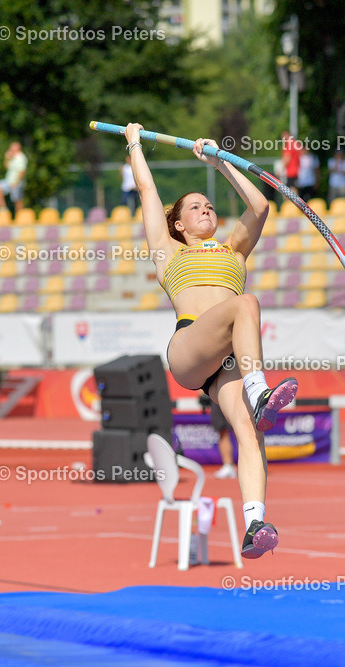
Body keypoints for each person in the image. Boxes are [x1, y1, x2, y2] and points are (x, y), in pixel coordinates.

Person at [126, 122, 297, 560]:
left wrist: (221, 163)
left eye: (208, 205)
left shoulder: (234, 251)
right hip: (188, 348)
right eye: (194, 208)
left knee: (250, 431)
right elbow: (147, 192)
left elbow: (259, 205)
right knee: (245, 305)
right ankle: (260, 390)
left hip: (223, 365)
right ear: (179, 224)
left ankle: (253, 523)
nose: (205, 210)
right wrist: (134, 143)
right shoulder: (169, 253)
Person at [0, 141, 28, 213]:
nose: (10, 149)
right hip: (9, 181)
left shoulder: (21, 158)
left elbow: (22, 172)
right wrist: (7, 158)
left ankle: (20, 216)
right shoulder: (12, 157)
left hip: (16, 182)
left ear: (17, 148)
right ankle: (3, 209)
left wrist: (16, 182)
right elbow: (6, 167)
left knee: (17, 200)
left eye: (12, 147)